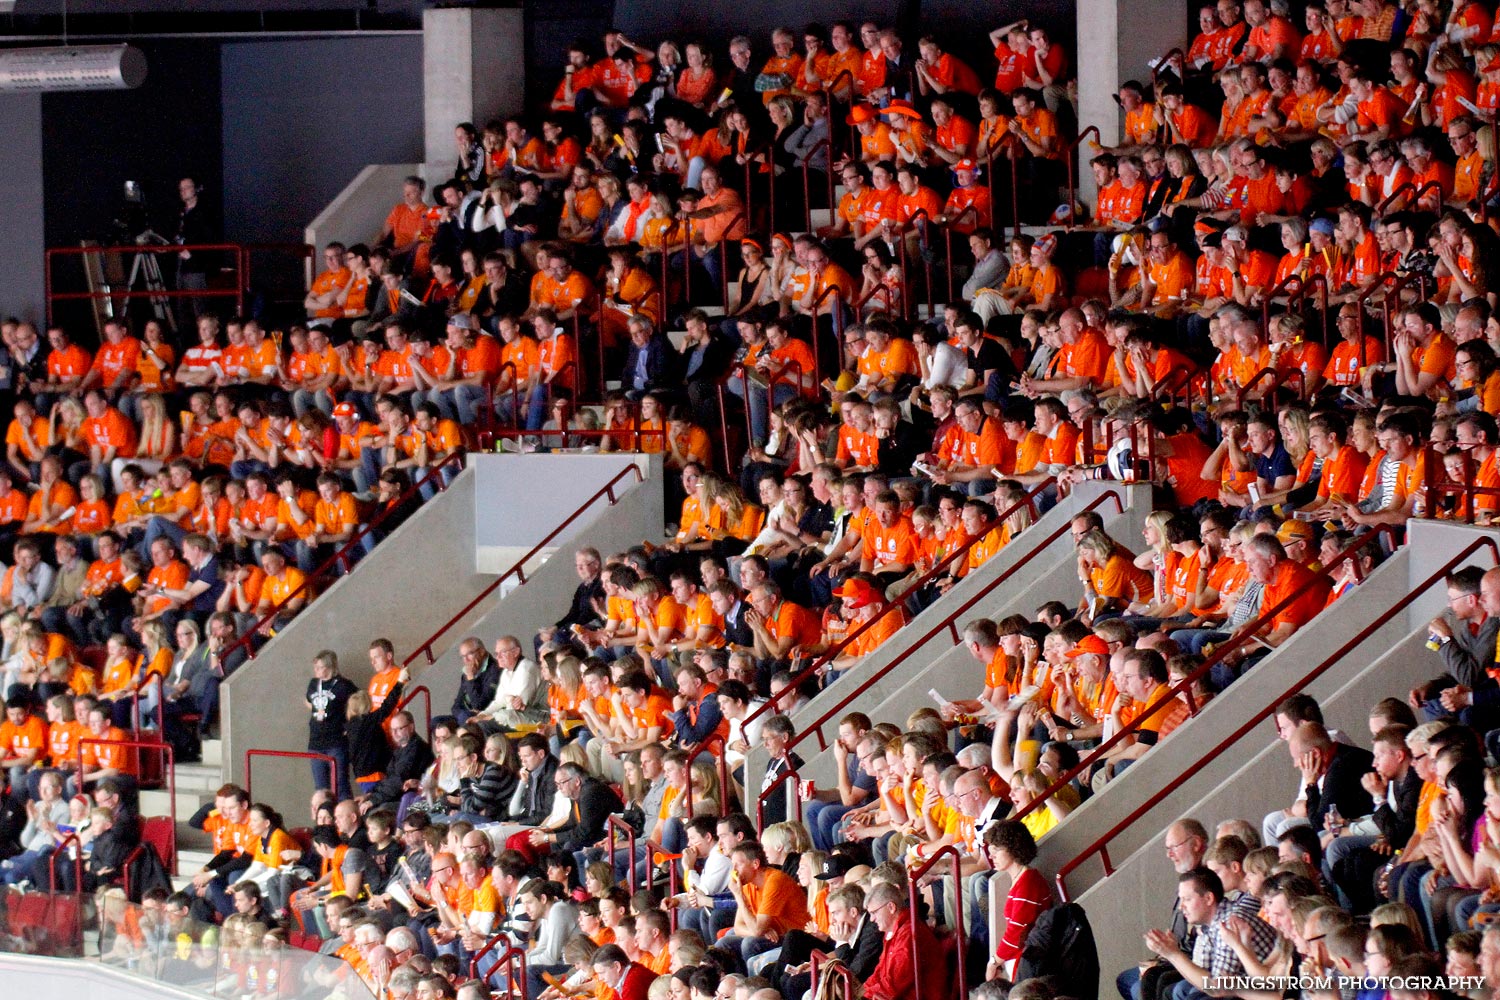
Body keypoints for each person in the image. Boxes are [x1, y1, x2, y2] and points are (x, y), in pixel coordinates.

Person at [306, 650, 357, 800]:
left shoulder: (343, 685)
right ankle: (325, 818)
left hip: (336, 742)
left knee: (340, 784)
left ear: (329, 667)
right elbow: (309, 701)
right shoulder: (314, 683)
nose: (316, 670)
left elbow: (359, 704)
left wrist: (349, 727)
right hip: (316, 742)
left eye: (319, 667)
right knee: (321, 788)